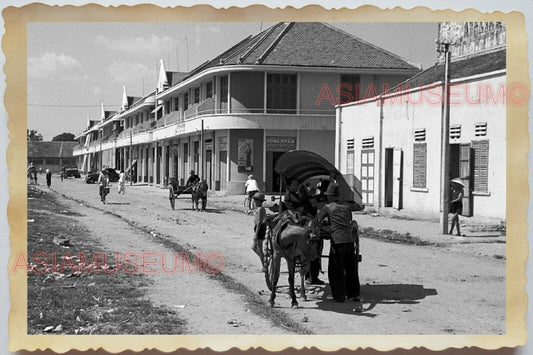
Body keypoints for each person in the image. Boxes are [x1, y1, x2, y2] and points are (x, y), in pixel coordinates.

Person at [317, 183, 360, 303]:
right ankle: (353, 294)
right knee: (351, 269)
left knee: (336, 270)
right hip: (349, 240)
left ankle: (339, 296)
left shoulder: (328, 207)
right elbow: (349, 220)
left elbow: (317, 220)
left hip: (337, 241)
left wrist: (327, 228)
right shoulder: (346, 206)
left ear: (330, 196)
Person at [251, 192, 268, 270]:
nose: (254, 201)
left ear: (258, 201)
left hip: (260, 229)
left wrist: (256, 234)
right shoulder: (258, 209)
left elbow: (259, 222)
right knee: (254, 247)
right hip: (258, 228)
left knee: (259, 248)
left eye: (255, 200)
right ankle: (264, 260)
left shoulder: (261, 209)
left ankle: (264, 265)